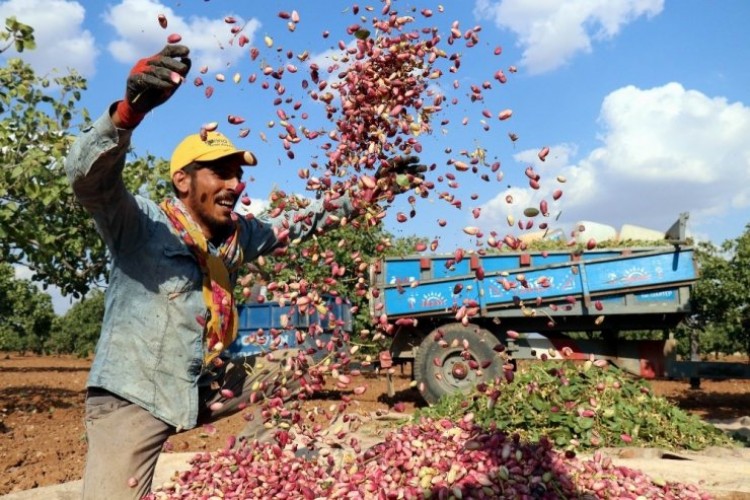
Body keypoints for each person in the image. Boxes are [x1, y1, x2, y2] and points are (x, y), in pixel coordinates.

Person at [65, 44, 424, 499]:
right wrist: (127, 115)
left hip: (204, 382)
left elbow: (303, 221)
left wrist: (370, 193)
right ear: (183, 181)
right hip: (133, 398)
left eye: (238, 175)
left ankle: (261, 459)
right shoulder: (140, 224)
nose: (235, 184)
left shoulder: (238, 236)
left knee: (300, 357)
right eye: (220, 173)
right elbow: (87, 180)